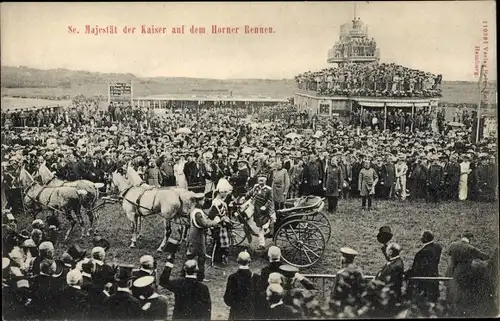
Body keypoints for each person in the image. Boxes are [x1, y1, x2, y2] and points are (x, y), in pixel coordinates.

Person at [445, 231, 490, 317]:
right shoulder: (471, 248)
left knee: (450, 292)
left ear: (462, 236)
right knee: (461, 294)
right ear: (471, 239)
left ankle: (449, 311)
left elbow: (448, 253)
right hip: (464, 274)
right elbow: (485, 257)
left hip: (451, 272)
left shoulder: (453, 245)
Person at [187, 192, 220, 282]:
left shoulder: (195, 209)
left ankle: (186, 273)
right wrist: (216, 222)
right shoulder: (198, 213)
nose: (203, 202)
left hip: (194, 233)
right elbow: (204, 224)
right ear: (198, 201)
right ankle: (200, 277)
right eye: (202, 200)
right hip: (197, 235)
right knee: (201, 256)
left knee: (192, 254)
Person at [405, 230, 442, 302]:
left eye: (421, 237)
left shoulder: (422, 253)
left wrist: (406, 273)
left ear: (425, 239)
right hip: (434, 280)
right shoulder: (437, 248)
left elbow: (416, 269)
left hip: (424, 284)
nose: (420, 238)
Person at [223, 251, 259, 320]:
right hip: (250, 314)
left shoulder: (232, 277)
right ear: (250, 261)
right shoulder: (256, 277)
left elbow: (227, 299)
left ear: (237, 261)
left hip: (235, 313)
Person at [330, 247, 365, 311]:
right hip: (356, 306)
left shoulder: (340, 274)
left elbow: (334, 294)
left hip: (343, 306)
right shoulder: (359, 272)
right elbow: (362, 289)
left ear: (344, 259)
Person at [245, 174, 274, 249]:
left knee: (262, 226)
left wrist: (265, 206)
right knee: (259, 226)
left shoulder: (269, 189)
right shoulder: (256, 187)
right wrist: (245, 196)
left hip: (265, 211)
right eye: (259, 180)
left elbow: (270, 200)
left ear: (265, 180)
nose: (261, 182)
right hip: (256, 210)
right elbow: (250, 193)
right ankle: (262, 243)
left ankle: (262, 243)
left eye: (262, 180)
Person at [255, 246, 283, 318]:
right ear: (280, 255)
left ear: (269, 256)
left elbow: (261, 287)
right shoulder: (285, 269)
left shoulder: (265, 270)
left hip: (268, 301)